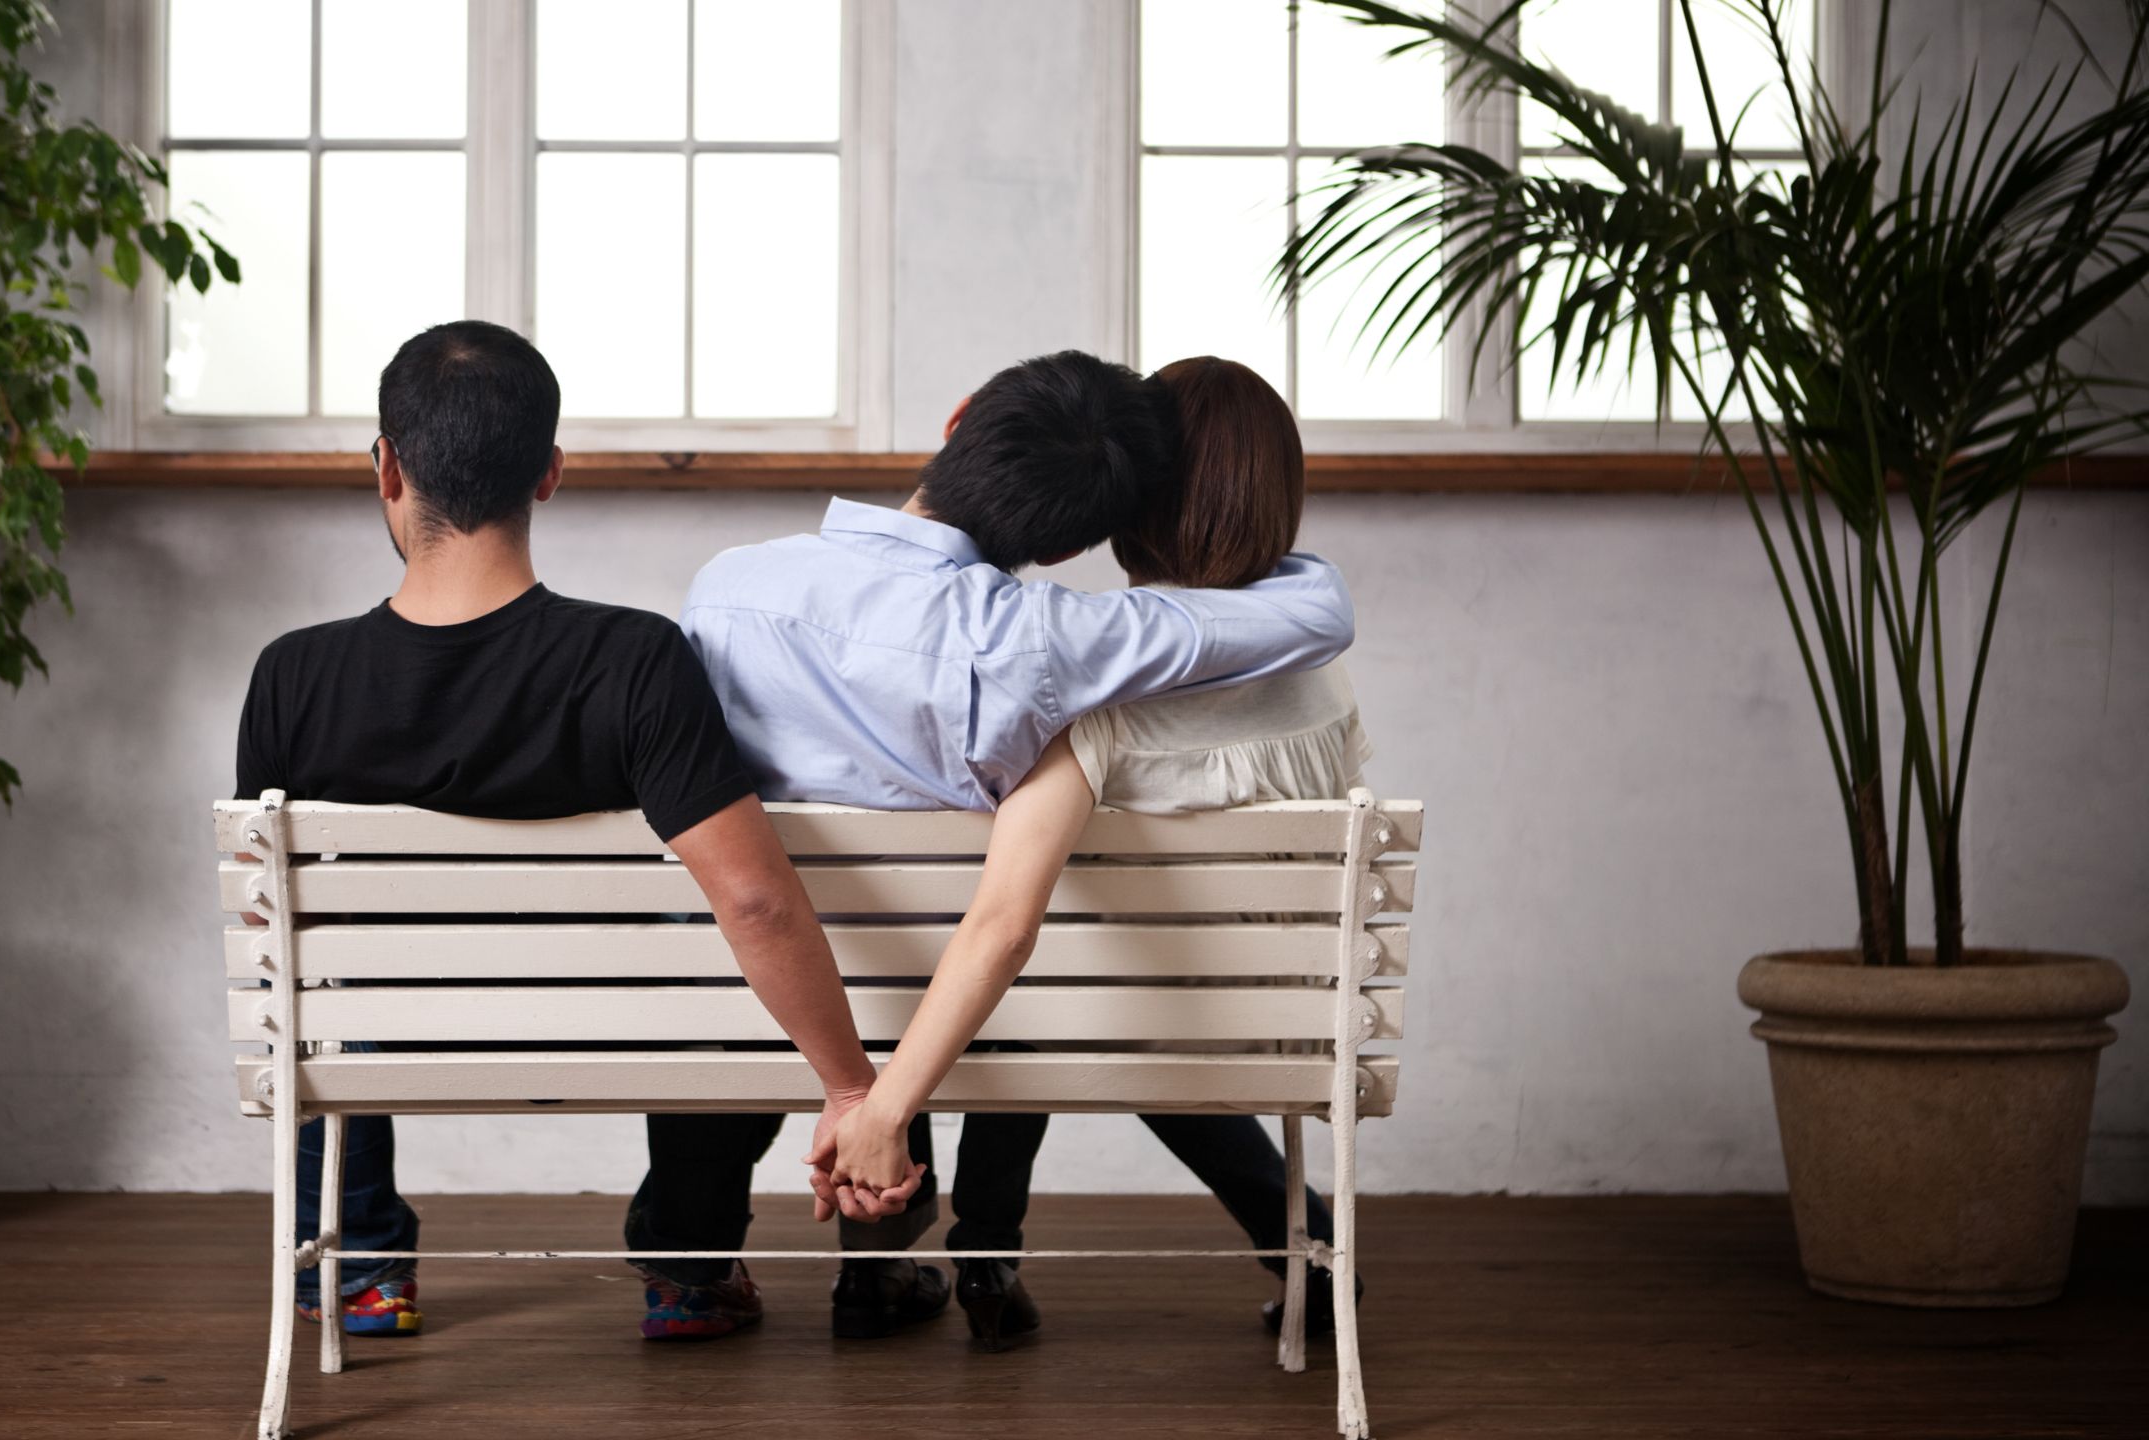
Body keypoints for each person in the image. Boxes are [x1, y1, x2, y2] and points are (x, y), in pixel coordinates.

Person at [633, 350, 1356, 1344]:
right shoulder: (1048, 637)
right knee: (937, 956)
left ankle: (690, 1268)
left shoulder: (727, 588)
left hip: (748, 980)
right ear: (1068, 547)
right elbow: (1316, 612)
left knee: (732, 931)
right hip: (940, 997)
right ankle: (918, 1257)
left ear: (959, 416)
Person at [232, 320, 915, 1342]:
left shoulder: (293, 675)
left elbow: (267, 928)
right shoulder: (636, 659)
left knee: (320, 990)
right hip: (611, 1019)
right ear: (548, 473)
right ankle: (686, 1274)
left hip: (393, 1030)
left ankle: (363, 1270)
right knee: (722, 991)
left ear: (388, 468)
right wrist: (851, 1086)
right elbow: (755, 898)